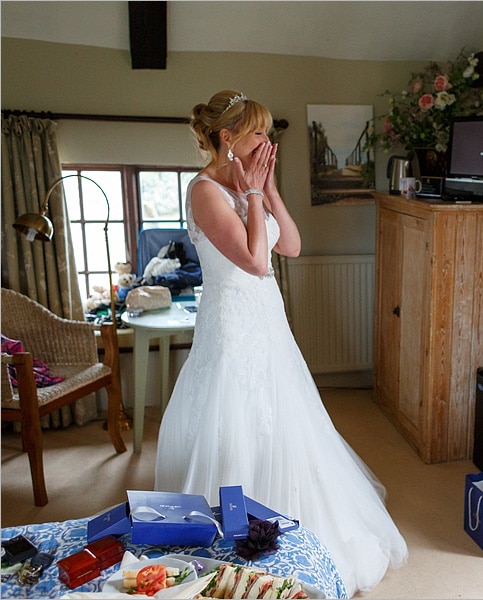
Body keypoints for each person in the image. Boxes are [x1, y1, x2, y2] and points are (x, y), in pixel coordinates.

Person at [154, 90, 408, 596]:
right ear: (227, 139)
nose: (267, 142)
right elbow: (253, 261)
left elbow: (289, 245)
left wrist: (267, 190)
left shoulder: (252, 186)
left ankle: (294, 530)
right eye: (258, 133)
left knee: (286, 418)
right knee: (235, 418)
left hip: (268, 320)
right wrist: (250, 194)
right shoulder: (205, 191)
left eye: (268, 132)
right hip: (230, 326)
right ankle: (229, 540)